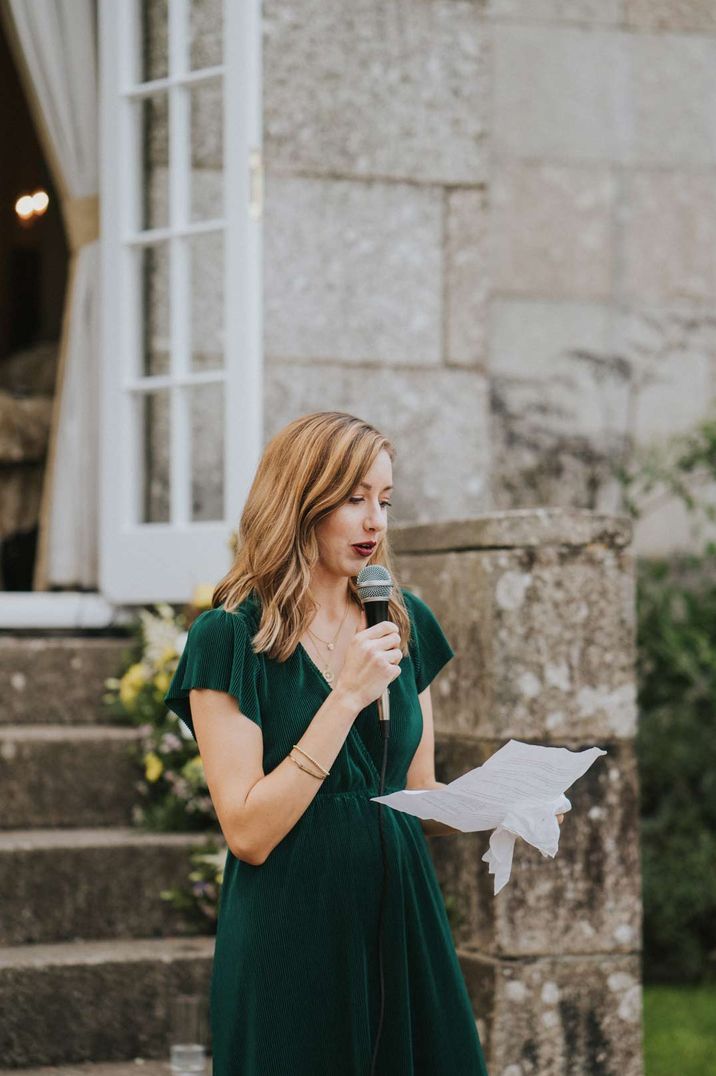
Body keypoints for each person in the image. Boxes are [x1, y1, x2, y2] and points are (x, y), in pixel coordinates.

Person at [164, 410, 491, 1075]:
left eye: (385, 500)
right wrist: (344, 698)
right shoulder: (229, 639)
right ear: (301, 500)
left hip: (403, 921)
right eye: (354, 498)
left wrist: (497, 807)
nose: (377, 521)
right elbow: (249, 831)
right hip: (292, 930)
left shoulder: (402, 619)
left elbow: (415, 793)